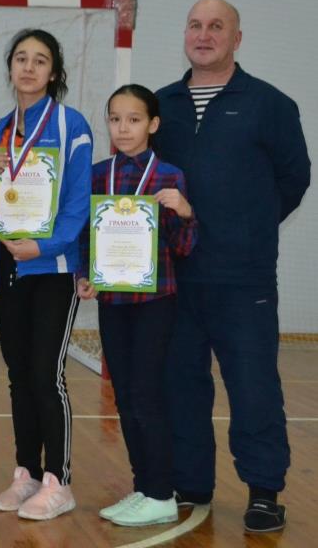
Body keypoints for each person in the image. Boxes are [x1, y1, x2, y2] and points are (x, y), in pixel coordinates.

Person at [155, 0, 310, 533]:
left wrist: (249, 226)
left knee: (253, 386)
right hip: (175, 275)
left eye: (216, 26)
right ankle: (191, 484)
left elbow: (294, 179)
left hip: (243, 278)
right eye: (195, 25)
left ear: (236, 39)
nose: (204, 35)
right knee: (181, 384)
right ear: (185, 34)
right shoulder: (161, 104)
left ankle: (264, 491)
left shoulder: (270, 104)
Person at [0, 28, 92, 521]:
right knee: (19, 376)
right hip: (6, 265)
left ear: (53, 72)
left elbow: (79, 201)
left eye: (40, 60)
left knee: (46, 374)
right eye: (21, 58)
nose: (29, 67)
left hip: (52, 267)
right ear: (11, 68)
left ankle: (59, 481)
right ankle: (27, 473)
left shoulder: (71, 124)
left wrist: (45, 245)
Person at [75, 84, 197, 527]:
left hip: (154, 302)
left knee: (146, 394)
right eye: (115, 119)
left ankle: (162, 493)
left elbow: (183, 248)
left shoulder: (169, 175)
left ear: (153, 124)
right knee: (124, 395)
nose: (123, 128)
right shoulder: (97, 175)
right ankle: (144, 487)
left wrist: (184, 212)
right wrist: (84, 275)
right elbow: (86, 237)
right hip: (113, 302)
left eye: (134, 119)